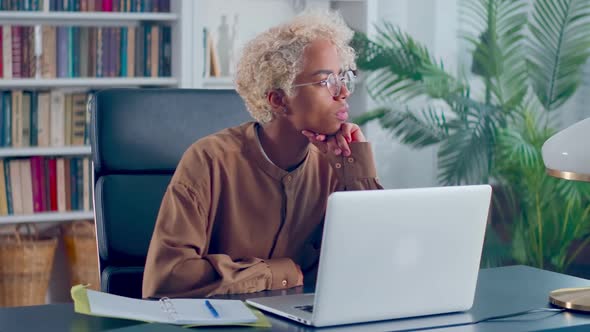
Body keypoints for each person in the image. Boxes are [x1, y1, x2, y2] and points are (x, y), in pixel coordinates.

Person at [142, 9, 383, 299]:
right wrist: (279, 273)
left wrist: (357, 171)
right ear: (279, 100)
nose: (343, 91)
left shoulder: (335, 165)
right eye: (324, 81)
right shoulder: (208, 161)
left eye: (343, 77)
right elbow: (167, 279)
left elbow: (376, 268)